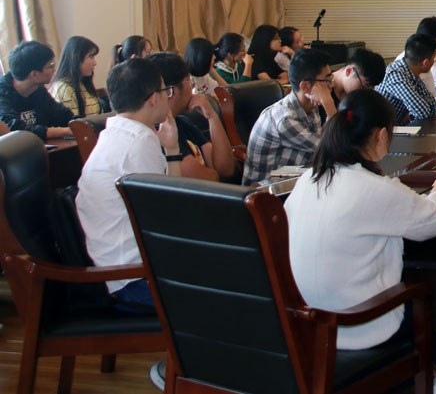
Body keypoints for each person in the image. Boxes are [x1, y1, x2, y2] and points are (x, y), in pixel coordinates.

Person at [284, 89, 436, 393]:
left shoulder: (307, 180)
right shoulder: (372, 188)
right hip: (355, 327)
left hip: (307, 324)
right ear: (383, 135)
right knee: (411, 298)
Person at [76, 58, 175, 307]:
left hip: (130, 270)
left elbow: (171, 199)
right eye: (166, 90)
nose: (168, 97)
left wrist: (172, 149)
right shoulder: (139, 142)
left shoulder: (117, 133)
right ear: (153, 98)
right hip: (135, 279)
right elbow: (171, 214)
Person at [242, 48, 333, 185]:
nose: (332, 84)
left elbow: (327, 145)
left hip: (293, 177)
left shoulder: (310, 107)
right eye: (327, 80)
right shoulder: (286, 119)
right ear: (305, 86)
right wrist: (329, 104)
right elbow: (333, 149)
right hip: (266, 190)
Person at [146, 51, 235, 180]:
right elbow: (211, 179)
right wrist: (213, 172)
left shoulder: (182, 122)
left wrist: (212, 117)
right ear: (172, 91)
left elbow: (226, 169)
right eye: (189, 82)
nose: (193, 88)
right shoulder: (159, 132)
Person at [0, 40, 75, 140]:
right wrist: (65, 131)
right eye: (50, 66)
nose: (54, 70)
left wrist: (82, 124)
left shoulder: (38, 89)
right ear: (34, 74)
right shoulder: (3, 93)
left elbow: (63, 116)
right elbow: (15, 130)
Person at [377, 34, 436, 122]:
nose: (434, 62)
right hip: (382, 128)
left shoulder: (411, 72)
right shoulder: (396, 75)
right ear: (425, 62)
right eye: (434, 58)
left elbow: (433, 104)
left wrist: (411, 114)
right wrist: (414, 113)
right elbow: (423, 112)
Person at [50, 35, 104, 117]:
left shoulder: (83, 83)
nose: (95, 63)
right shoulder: (64, 88)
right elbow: (73, 123)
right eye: (91, 57)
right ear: (76, 58)